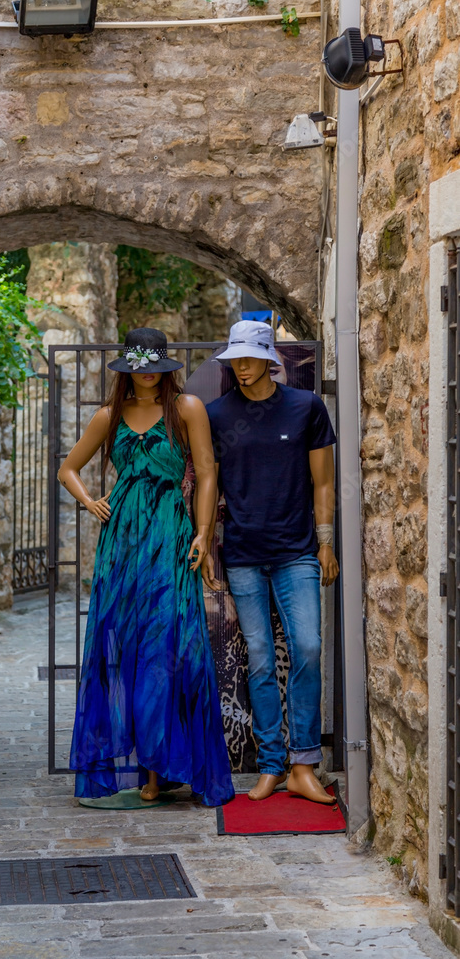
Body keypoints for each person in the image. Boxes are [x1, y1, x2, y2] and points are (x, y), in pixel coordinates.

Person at [58, 327, 234, 807]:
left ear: (165, 370)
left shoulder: (186, 410)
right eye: (138, 371)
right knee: (125, 651)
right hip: (122, 546)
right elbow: (67, 468)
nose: (147, 378)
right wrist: (90, 501)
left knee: (169, 651)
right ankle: (146, 773)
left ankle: (161, 773)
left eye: (154, 370)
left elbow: (207, 472)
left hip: (171, 537)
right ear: (125, 373)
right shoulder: (107, 417)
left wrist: (202, 534)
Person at [204, 320, 339, 804]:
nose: (240, 367)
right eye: (233, 360)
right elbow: (209, 484)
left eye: (248, 358)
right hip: (241, 555)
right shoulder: (217, 415)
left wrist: (325, 542)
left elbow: (324, 483)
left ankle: (305, 764)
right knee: (259, 662)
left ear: (269, 361)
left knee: (306, 648)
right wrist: (204, 540)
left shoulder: (306, 407)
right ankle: (271, 766)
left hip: (297, 550)